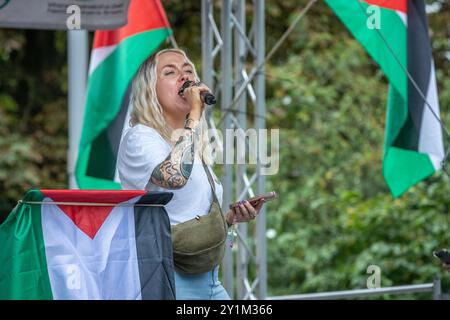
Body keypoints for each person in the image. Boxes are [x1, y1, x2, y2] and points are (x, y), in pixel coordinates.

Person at [117, 48, 265, 300]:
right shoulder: (141, 136)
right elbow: (174, 177)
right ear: (149, 89)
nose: (184, 77)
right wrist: (194, 115)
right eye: (170, 72)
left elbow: (190, 217)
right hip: (167, 279)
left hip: (209, 279)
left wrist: (230, 218)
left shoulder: (191, 146)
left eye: (188, 71)